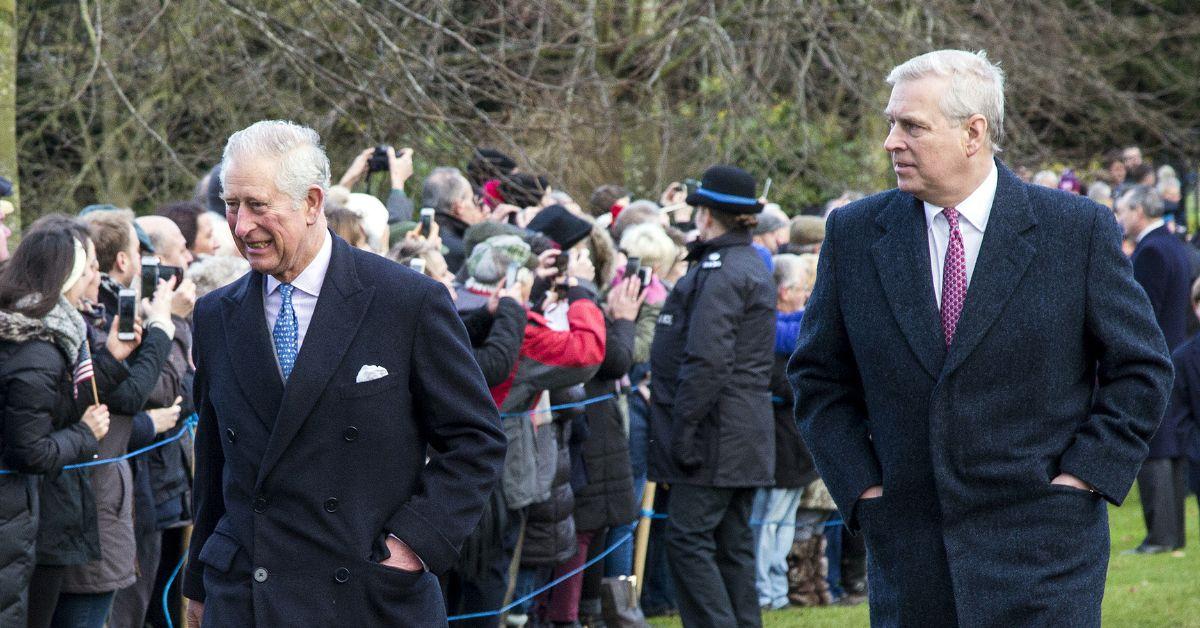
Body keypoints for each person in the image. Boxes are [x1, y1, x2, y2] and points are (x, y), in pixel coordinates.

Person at [788, 49, 1172, 626]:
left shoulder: (1074, 230)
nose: (891, 142)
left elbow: (1142, 368)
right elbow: (818, 377)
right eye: (891, 123)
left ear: (973, 133)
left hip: (1046, 557)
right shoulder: (856, 233)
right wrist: (863, 490)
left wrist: (1085, 476)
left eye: (912, 126)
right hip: (911, 558)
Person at [183, 120, 506, 627]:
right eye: (231, 205)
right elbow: (214, 462)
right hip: (246, 598)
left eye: (259, 205)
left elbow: (476, 440)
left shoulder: (406, 301)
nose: (242, 226)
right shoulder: (214, 315)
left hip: (366, 598)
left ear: (313, 202)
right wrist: (200, 584)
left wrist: (411, 546)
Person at [648, 164, 776, 628]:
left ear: (706, 215)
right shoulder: (743, 263)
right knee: (729, 544)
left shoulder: (724, 271)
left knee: (688, 540)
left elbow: (708, 359)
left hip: (715, 433)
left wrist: (684, 429)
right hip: (737, 431)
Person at [57, 211, 179, 628]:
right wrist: (164, 327)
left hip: (107, 498)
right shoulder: (75, 329)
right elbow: (131, 395)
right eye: (90, 268)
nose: (98, 277)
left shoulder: (93, 319)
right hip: (89, 503)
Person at [0, 217, 109, 628]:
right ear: (68, 276)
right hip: (16, 514)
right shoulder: (37, 350)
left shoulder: (42, 338)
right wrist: (85, 433)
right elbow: (29, 450)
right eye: (89, 268)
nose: (95, 278)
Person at [1115, 184, 1193, 553]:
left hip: (1157, 358)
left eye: (1123, 211)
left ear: (1139, 211)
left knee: (1156, 446)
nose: (1119, 218)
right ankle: (1172, 534)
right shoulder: (1173, 244)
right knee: (1170, 445)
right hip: (1176, 353)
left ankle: (1161, 535)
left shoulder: (1151, 250)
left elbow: (1141, 313)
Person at [752, 253, 820, 611]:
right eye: (798, 289)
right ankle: (765, 589)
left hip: (794, 441)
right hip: (776, 441)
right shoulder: (765, 335)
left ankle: (776, 589)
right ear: (782, 291)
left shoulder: (802, 332)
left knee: (783, 518)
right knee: (769, 519)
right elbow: (783, 383)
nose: (804, 296)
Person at [423, 166, 490, 272]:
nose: (484, 209)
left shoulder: (413, 237)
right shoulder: (466, 252)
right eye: (473, 200)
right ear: (459, 207)